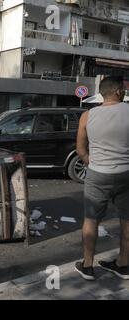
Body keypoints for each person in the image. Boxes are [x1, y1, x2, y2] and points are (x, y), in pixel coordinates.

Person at [75, 76, 129, 280]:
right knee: (127, 220)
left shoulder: (88, 116)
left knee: (91, 220)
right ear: (117, 92)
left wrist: (92, 162)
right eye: (123, 89)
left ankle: (87, 266)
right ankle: (123, 265)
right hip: (126, 173)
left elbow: (80, 149)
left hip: (98, 174)